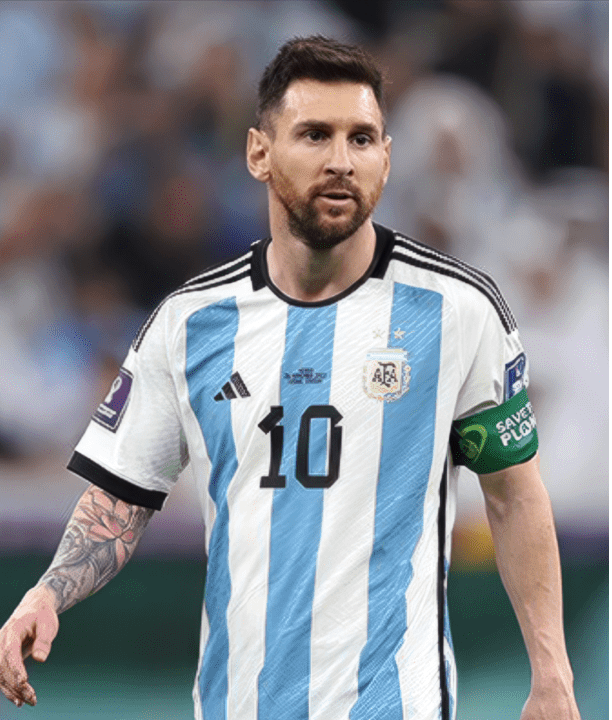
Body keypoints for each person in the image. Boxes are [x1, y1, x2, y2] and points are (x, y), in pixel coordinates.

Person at [0, 35, 580, 720]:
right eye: (315, 135)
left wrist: (553, 673)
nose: (341, 161)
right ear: (258, 153)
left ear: (387, 160)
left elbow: (514, 495)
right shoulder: (190, 324)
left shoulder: (459, 311)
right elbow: (122, 497)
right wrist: (47, 592)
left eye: (362, 139)